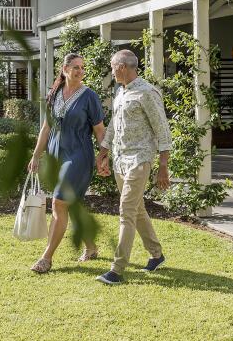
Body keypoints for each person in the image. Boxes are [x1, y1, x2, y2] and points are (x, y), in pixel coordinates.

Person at [94, 49, 172, 285]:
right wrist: (103, 152)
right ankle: (156, 255)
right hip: (120, 160)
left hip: (140, 159)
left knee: (126, 210)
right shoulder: (121, 92)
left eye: (113, 67)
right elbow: (113, 126)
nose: (112, 71)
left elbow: (162, 130)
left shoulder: (147, 92)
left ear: (122, 67)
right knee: (137, 210)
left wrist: (163, 166)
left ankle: (117, 270)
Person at [27, 52, 107, 274]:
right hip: (57, 156)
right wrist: (36, 155)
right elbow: (46, 128)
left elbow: (100, 130)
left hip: (78, 156)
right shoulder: (54, 94)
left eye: (83, 67)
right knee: (72, 204)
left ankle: (46, 258)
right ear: (65, 69)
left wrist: (104, 155)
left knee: (59, 203)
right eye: (76, 67)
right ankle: (91, 247)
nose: (81, 71)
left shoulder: (89, 96)